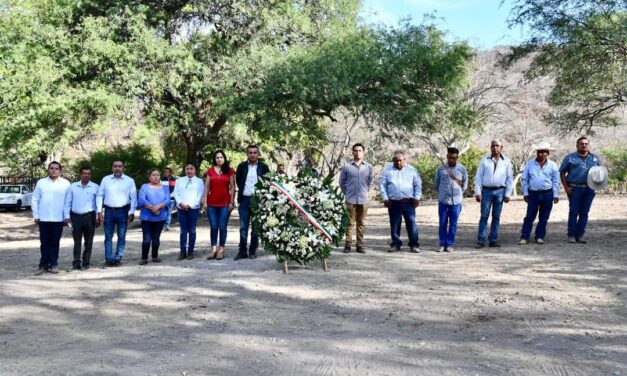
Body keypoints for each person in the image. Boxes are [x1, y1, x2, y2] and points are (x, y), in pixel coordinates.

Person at [559, 136, 603, 243]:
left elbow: (600, 173)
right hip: (574, 189)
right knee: (574, 212)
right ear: (577, 145)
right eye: (581, 143)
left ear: (589, 145)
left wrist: (597, 187)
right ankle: (571, 235)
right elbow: (562, 173)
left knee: (584, 213)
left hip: (589, 189)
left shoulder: (595, 158)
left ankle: (580, 235)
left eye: (586, 143)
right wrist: (566, 187)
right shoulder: (570, 157)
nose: (584, 145)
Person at [32, 161, 71, 275]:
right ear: (48, 170)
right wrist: (36, 215)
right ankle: (43, 265)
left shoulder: (66, 184)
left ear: (60, 170)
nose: (54, 170)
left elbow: (68, 202)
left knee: (54, 242)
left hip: (58, 219)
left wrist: (66, 216)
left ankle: (54, 264)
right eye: (51, 168)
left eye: (56, 168)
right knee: (44, 243)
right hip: (44, 218)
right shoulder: (41, 183)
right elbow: (35, 199)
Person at [96, 160, 137, 267]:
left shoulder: (129, 180)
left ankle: (118, 257)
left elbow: (133, 198)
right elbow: (100, 195)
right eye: (115, 166)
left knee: (122, 236)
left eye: (120, 166)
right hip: (109, 211)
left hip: (123, 211)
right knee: (108, 237)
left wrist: (132, 212)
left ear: (123, 167)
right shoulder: (106, 179)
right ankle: (109, 259)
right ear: (112, 167)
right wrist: (99, 211)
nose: (117, 168)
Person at [379, 151, 422, 253]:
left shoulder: (412, 170)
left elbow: (418, 184)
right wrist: (385, 198)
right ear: (393, 160)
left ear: (404, 160)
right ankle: (395, 244)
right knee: (394, 224)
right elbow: (382, 185)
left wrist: (417, 197)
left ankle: (414, 245)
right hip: (393, 203)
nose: (398, 163)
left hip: (408, 202)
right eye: (396, 161)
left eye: (400, 160)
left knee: (411, 224)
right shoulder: (387, 171)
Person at [518, 142, 560, 245]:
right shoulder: (530, 164)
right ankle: (525, 237)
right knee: (529, 216)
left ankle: (540, 236)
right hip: (533, 193)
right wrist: (525, 192)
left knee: (544, 216)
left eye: (543, 152)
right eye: (539, 152)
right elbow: (525, 179)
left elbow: (555, 181)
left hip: (547, 193)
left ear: (548, 153)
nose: (540, 154)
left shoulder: (553, 165)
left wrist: (555, 195)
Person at [474, 139, 514, 248]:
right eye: (493, 146)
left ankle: (493, 239)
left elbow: (510, 178)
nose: (495, 148)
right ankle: (481, 240)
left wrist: (508, 194)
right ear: (490, 147)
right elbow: (478, 177)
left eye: (497, 146)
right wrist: (478, 192)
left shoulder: (506, 161)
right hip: (486, 191)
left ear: (501, 147)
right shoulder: (484, 161)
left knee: (496, 216)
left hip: (500, 191)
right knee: (484, 216)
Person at [235, 144, 270, 260]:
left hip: (258, 200)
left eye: (255, 152)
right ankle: (242, 251)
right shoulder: (242, 166)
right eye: (250, 152)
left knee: (256, 227)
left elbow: (267, 182)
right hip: (245, 199)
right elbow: (239, 181)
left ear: (258, 154)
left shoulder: (264, 167)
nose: (252, 154)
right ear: (247, 154)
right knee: (243, 227)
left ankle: (252, 250)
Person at [339, 143, 375, 253]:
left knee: (361, 223)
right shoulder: (346, 166)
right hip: (350, 199)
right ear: (352, 152)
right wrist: (348, 193)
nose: (357, 152)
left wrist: (364, 192)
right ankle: (348, 245)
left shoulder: (369, 167)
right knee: (349, 223)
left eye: (360, 150)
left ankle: (360, 245)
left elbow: (371, 182)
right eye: (355, 150)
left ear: (363, 152)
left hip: (364, 199)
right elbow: (341, 182)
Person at [64, 165, 99, 271]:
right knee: (77, 241)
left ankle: (86, 262)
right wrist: (66, 216)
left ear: (90, 175)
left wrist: (98, 216)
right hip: (76, 216)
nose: (86, 175)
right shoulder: (73, 186)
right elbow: (68, 202)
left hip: (90, 216)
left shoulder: (95, 187)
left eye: (88, 174)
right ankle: (76, 263)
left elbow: (98, 203)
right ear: (80, 174)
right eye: (84, 173)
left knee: (89, 241)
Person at [202, 150, 236, 260]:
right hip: (212, 203)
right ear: (214, 159)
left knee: (222, 226)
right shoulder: (210, 171)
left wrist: (231, 202)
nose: (219, 159)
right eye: (217, 157)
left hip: (225, 204)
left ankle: (221, 249)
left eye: (221, 157)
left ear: (224, 158)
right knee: (213, 227)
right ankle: (213, 249)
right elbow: (206, 187)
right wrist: (205, 202)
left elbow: (232, 187)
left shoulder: (229, 171)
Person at [435, 148, 468, 252]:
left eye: (453, 158)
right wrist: (444, 192)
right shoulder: (440, 169)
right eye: (449, 157)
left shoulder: (462, 169)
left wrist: (457, 193)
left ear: (457, 157)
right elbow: (436, 184)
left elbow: (465, 185)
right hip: (443, 201)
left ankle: (450, 244)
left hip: (456, 202)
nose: (451, 160)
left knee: (453, 225)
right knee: (442, 224)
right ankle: (442, 244)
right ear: (447, 156)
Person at [172, 163, 205, 260]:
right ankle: (182, 252)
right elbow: (175, 193)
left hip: (193, 209)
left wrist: (191, 205)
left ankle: (190, 252)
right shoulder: (180, 180)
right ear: (185, 170)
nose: (189, 170)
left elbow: (200, 195)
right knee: (183, 231)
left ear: (195, 170)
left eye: (191, 168)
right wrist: (181, 203)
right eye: (187, 169)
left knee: (192, 230)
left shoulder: (199, 181)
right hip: (181, 209)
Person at [138, 168, 170, 264]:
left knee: (156, 238)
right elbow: (142, 200)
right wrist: (153, 208)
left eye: (157, 175)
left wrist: (158, 207)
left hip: (160, 216)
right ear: (149, 177)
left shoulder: (165, 188)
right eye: (153, 175)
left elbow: (167, 200)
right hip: (146, 217)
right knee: (147, 239)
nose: (156, 177)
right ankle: (144, 258)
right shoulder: (144, 187)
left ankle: (155, 256)